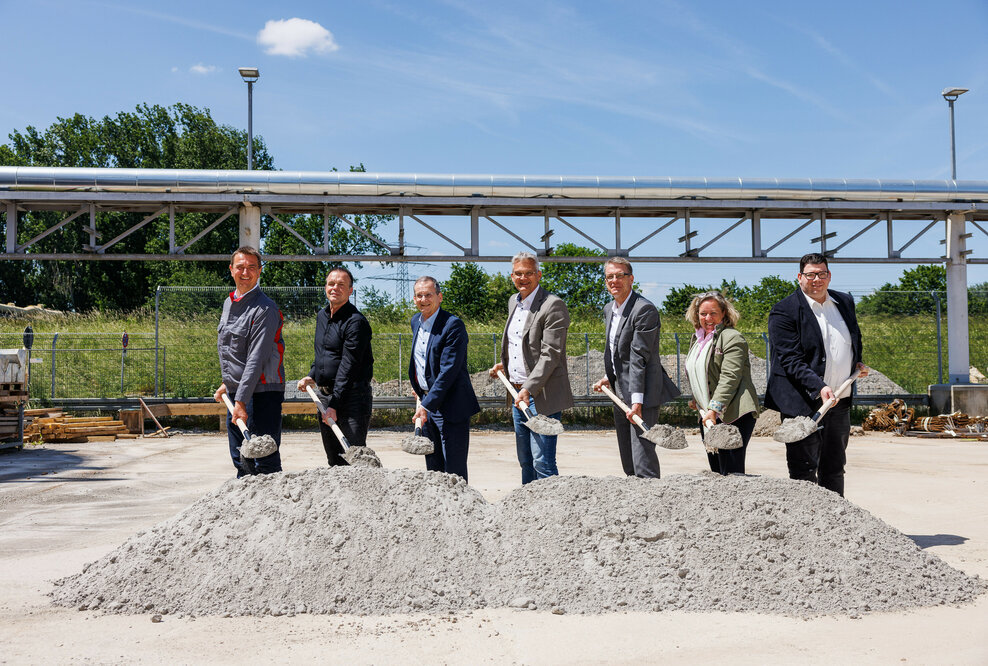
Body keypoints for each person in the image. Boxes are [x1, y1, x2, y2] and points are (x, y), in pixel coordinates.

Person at [765, 253, 869, 496]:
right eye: (810, 275)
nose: (817, 279)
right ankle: (807, 527)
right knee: (803, 470)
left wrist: (857, 362)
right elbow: (790, 359)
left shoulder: (844, 302)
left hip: (839, 400)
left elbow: (854, 337)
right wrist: (819, 387)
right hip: (802, 403)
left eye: (822, 274)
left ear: (829, 276)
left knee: (834, 467)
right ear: (800, 277)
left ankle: (835, 524)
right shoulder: (784, 311)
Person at [488, 251, 573, 484]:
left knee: (542, 461)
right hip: (517, 393)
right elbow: (520, 344)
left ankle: (551, 509)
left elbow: (551, 354)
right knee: (525, 460)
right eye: (518, 274)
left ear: (539, 275)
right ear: (512, 276)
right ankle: (526, 509)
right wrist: (505, 364)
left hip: (540, 395)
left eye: (528, 273)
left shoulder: (552, 305)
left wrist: (528, 387)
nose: (523, 278)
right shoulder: (513, 302)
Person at [592, 257, 679, 478]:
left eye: (620, 275)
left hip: (643, 393)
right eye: (610, 276)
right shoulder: (609, 309)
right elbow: (617, 352)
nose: (614, 280)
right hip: (620, 389)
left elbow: (638, 356)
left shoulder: (644, 310)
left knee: (642, 456)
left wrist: (637, 401)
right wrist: (607, 376)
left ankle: (651, 501)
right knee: (627, 457)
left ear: (631, 279)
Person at [213, 246, 285, 477]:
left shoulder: (265, 309)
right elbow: (232, 350)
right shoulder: (228, 302)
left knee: (264, 460)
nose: (246, 272)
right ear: (231, 269)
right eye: (240, 267)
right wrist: (229, 383)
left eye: (251, 267)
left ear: (259, 271)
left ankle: (272, 507)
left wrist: (241, 402)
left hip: (262, 394)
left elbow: (256, 358)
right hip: (238, 391)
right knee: (240, 458)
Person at [297, 266, 374, 466]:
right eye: (331, 284)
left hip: (352, 399)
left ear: (350, 290)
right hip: (326, 396)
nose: (335, 288)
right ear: (325, 287)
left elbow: (349, 367)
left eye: (341, 285)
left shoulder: (356, 322)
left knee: (354, 458)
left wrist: (334, 405)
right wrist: (312, 375)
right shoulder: (322, 316)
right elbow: (323, 354)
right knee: (334, 459)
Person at [408, 276, 480, 481]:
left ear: (439, 297)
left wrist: (427, 405)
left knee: (454, 471)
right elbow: (422, 360)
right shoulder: (416, 321)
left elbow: (449, 370)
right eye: (419, 295)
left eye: (428, 295)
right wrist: (419, 386)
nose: (424, 299)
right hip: (428, 405)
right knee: (433, 469)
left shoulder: (453, 325)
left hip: (452, 407)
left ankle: (461, 512)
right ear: (414, 299)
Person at [683, 291, 759, 475]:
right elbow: (700, 373)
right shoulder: (698, 340)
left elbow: (730, 377)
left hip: (733, 413)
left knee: (731, 471)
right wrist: (697, 399)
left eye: (713, 313)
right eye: (703, 313)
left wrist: (714, 408)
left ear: (724, 313)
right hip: (709, 414)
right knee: (717, 469)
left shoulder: (732, 337)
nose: (708, 318)